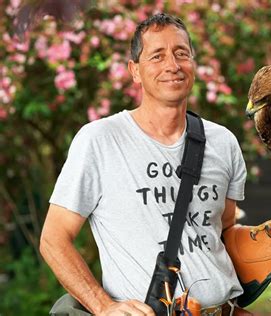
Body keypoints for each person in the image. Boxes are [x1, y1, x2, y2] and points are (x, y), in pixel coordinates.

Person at [40, 13, 247, 315]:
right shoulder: (100, 140)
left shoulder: (223, 142)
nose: (172, 66)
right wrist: (103, 306)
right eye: (157, 56)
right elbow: (53, 239)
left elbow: (223, 230)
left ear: (193, 63)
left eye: (181, 54)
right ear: (135, 72)